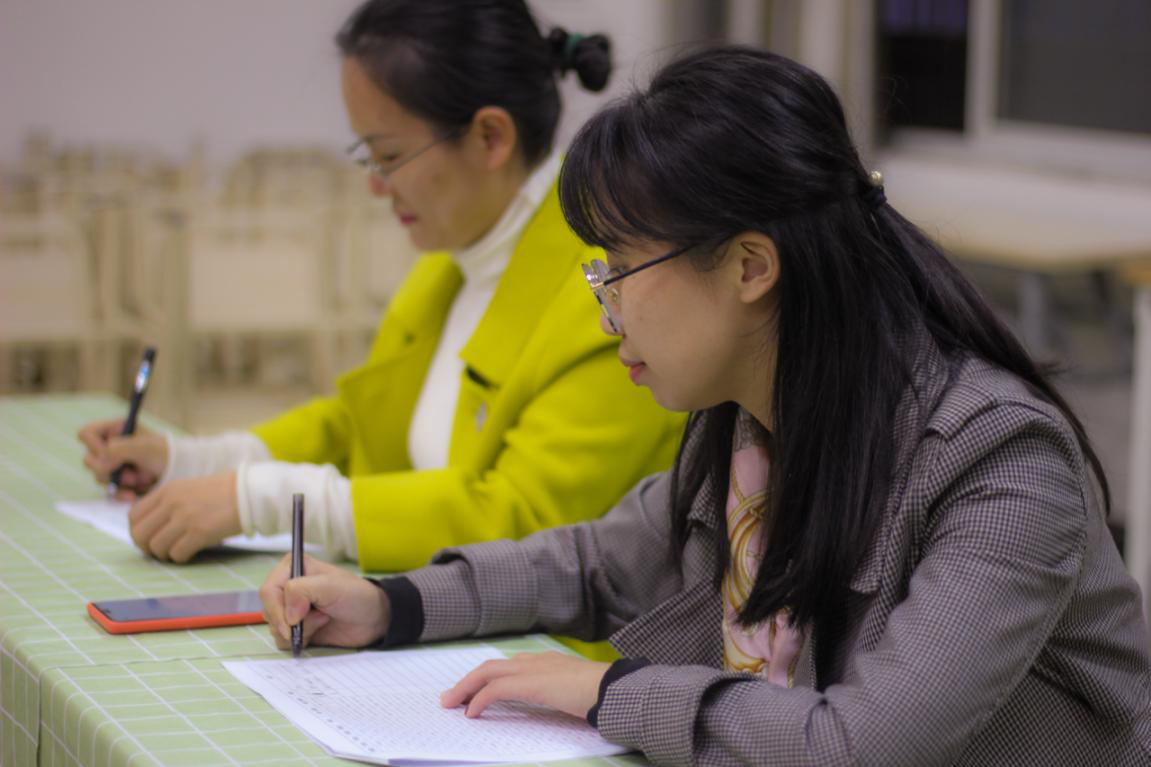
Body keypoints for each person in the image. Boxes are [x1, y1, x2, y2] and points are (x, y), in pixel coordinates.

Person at [259, 46, 1151, 765]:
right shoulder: (749, 426)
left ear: (750, 266)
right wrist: (389, 604)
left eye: (620, 269)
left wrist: (610, 693)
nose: (604, 309)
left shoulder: (999, 463)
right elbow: (593, 566)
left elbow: (862, 745)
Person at [76, 0, 683, 569]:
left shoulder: (607, 293)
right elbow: (361, 424)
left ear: (490, 137)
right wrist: (191, 463)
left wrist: (267, 500)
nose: (375, 185)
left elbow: (523, 521)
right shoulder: (456, 258)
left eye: (389, 157)